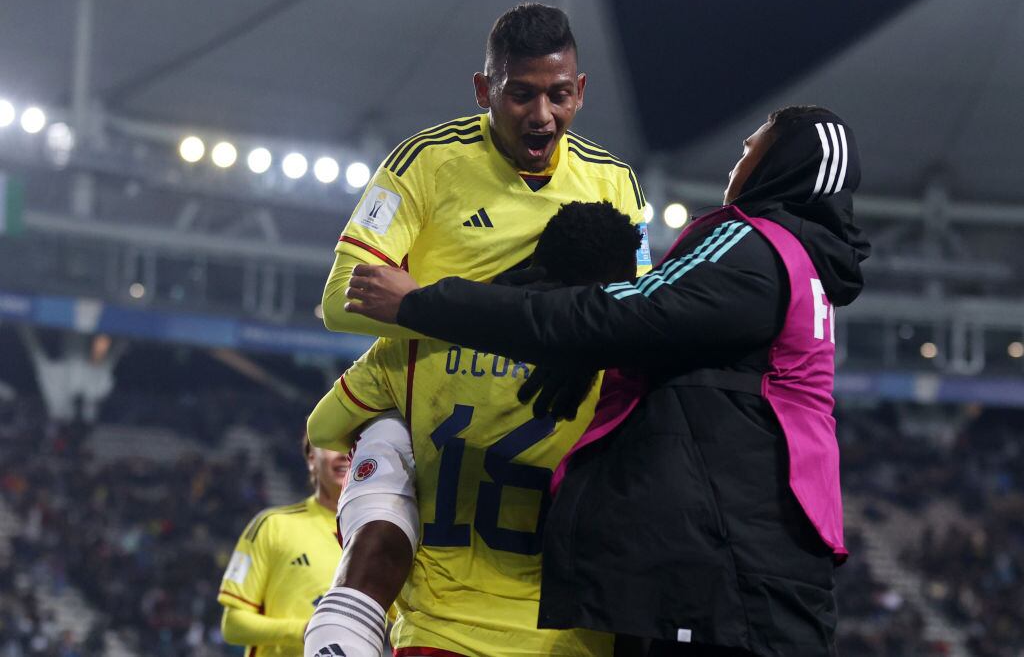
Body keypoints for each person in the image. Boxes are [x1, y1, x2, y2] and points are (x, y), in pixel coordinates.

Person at [343, 106, 872, 656]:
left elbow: (617, 316)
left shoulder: (750, 243)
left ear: (783, 164)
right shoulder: (803, 264)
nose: (739, 153)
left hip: (724, 565)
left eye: (752, 147)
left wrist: (426, 303)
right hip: (765, 561)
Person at [307, 0, 649, 657]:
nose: (542, 115)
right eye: (520, 94)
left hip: (568, 609)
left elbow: (630, 322)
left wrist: (440, 306)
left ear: (580, 92)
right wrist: (488, 313)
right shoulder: (424, 164)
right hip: (447, 593)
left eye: (557, 95)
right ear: (484, 88)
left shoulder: (613, 184)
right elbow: (338, 301)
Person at [305, 202, 641, 657]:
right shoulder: (627, 378)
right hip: (566, 641)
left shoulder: (418, 346)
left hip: (437, 636)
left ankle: (345, 618)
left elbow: (322, 428)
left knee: (382, 433)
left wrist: (395, 431)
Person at [219, 435, 350, 656]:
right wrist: (302, 630)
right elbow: (232, 625)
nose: (343, 454)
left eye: (351, 445)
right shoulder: (272, 526)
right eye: (331, 446)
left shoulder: (383, 538)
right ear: (311, 459)